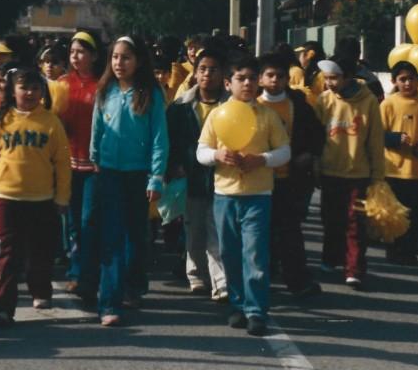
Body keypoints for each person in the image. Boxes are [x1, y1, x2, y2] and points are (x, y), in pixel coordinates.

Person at [0, 65, 71, 327]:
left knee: (41, 251)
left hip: (42, 199)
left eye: (35, 88)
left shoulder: (51, 122)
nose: (29, 92)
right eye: (23, 87)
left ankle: (41, 291)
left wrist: (62, 198)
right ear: (12, 90)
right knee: (9, 254)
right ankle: (3, 308)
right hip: (5, 197)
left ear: (43, 92)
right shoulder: (2, 120)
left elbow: (62, 163)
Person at [197, 55, 290, 336]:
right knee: (230, 254)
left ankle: (256, 310)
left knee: (255, 254)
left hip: (258, 195)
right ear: (228, 83)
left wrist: (262, 159)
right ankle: (237, 306)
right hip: (225, 195)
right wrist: (217, 154)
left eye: (252, 78)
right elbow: (201, 151)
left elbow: (284, 152)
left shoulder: (268, 116)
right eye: (241, 78)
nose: (247, 83)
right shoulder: (217, 114)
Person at [82, 35, 168, 327]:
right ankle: (109, 302)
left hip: (138, 174)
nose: (119, 63)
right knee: (112, 238)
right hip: (108, 172)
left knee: (135, 235)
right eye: (115, 57)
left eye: (126, 57)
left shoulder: (151, 93)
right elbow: (98, 125)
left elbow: (159, 138)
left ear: (139, 61)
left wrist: (156, 177)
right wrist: (95, 156)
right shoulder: (105, 89)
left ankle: (133, 285)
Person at [256, 53, 324, 298]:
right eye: (269, 75)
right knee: (259, 234)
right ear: (260, 79)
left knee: (290, 234)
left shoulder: (299, 104)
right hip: (257, 181)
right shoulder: (251, 104)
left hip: (289, 180)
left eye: (280, 76)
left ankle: (297, 280)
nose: (275, 80)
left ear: (287, 79)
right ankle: (262, 278)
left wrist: (307, 156)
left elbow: (317, 135)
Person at [315, 56, 384, 290]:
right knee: (331, 219)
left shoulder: (369, 101)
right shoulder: (323, 100)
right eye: (326, 78)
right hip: (329, 171)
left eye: (334, 78)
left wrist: (377, 176)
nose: (329, 83)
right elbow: (316, 138)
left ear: (347, 77)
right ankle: (330, 258)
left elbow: (375, 140)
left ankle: (354, 267)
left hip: (358, 173)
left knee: (355, 223)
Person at [167, 47, 229, 302]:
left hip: (222, 176)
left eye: (213, 70)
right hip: (190, 176)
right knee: (194, 229)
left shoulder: (231, 105)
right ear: (195, 72)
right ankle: (196, 276)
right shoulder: (181, 106)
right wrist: (174, 165)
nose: (207, 75)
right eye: (202, 69)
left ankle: (221, 283)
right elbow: (170, 140)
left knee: (217, 231)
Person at [54, 31, 100, 294]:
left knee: (89, 221)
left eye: (81, 51)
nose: (75, 56)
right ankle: (75, 272)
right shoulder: (60, 84)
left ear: (94, 55)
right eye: (72, 51)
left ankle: (89, 274)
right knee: (72, 223)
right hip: (67, 164)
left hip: (94, 166)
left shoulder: (102, 85)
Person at [380, 60, 418, 265]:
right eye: (403, 79)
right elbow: (377, 134)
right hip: (394, 170)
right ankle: (394, 251)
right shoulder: (388, 103)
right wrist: (394, 139)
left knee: (417, 215)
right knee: (396, 215)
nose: (408, 83)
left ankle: (411, 252)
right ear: (394, 81)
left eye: (412, 79)